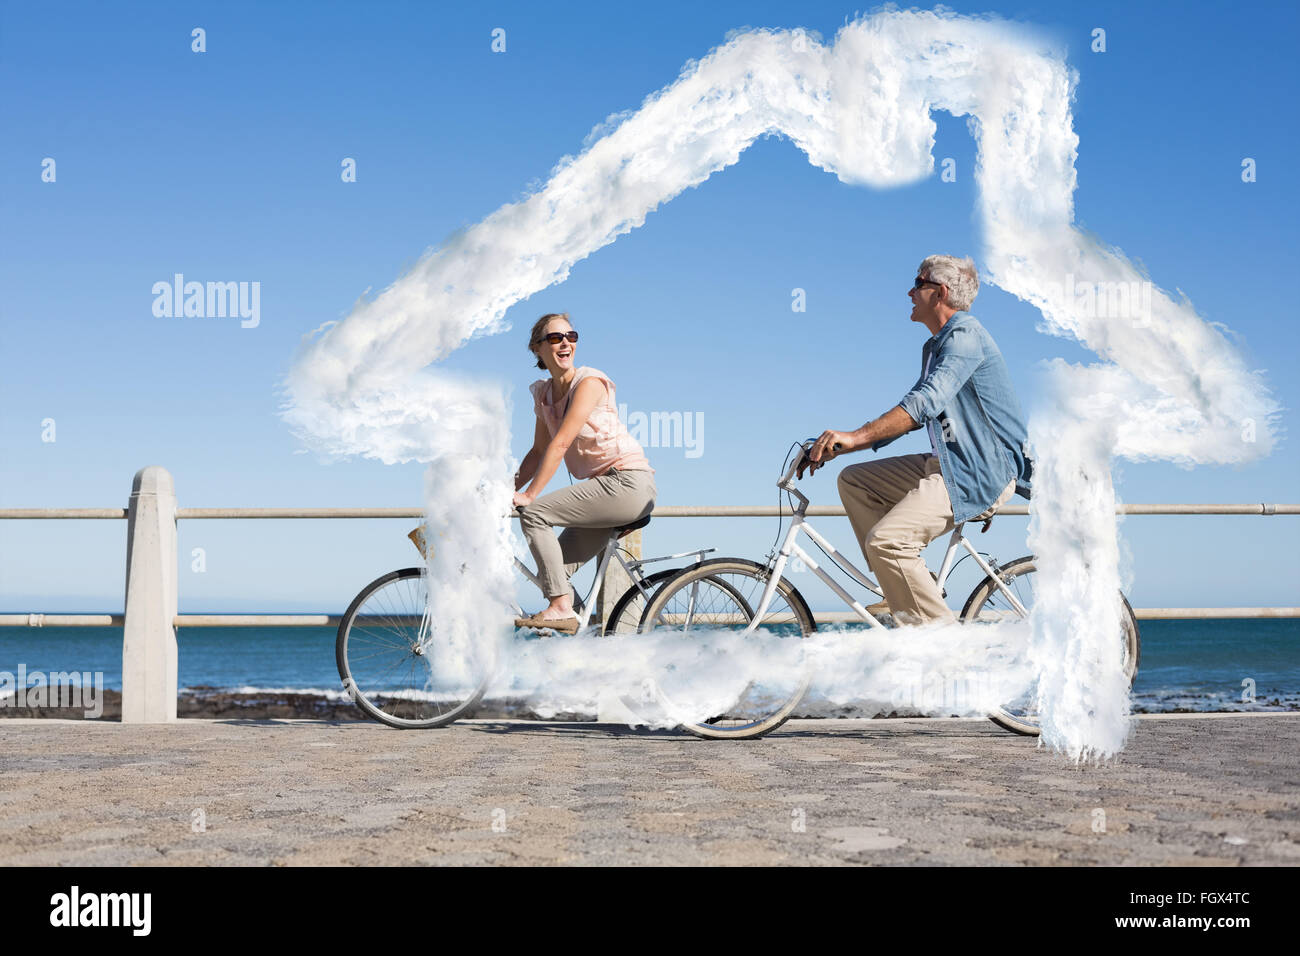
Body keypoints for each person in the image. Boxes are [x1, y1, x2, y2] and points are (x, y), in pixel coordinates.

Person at [800, 255, 1032, 625]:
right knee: (855, 481)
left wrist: (853, 437)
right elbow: (910, 416)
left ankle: (945, 650)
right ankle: (903, 591)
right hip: (951, 463)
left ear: (939, 292)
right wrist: (842, 447)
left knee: (888, 542)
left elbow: (924, 402)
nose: (909, 292)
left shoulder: (965, 337)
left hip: (980, 470)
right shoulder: (936, 346)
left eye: (917, 283)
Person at [512, 312, 656, 633]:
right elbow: (538, 451)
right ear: (537, 348)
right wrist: (506, 488)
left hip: (627, 483)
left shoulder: (588, 382)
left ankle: (561, 608)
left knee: (534, 514)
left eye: (571, 337)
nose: (565, 343)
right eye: (555, 338)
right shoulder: (545, 395)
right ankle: (588, 642)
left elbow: (561, 441)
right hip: (605, 491)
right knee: (551, 573)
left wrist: (530, 495)